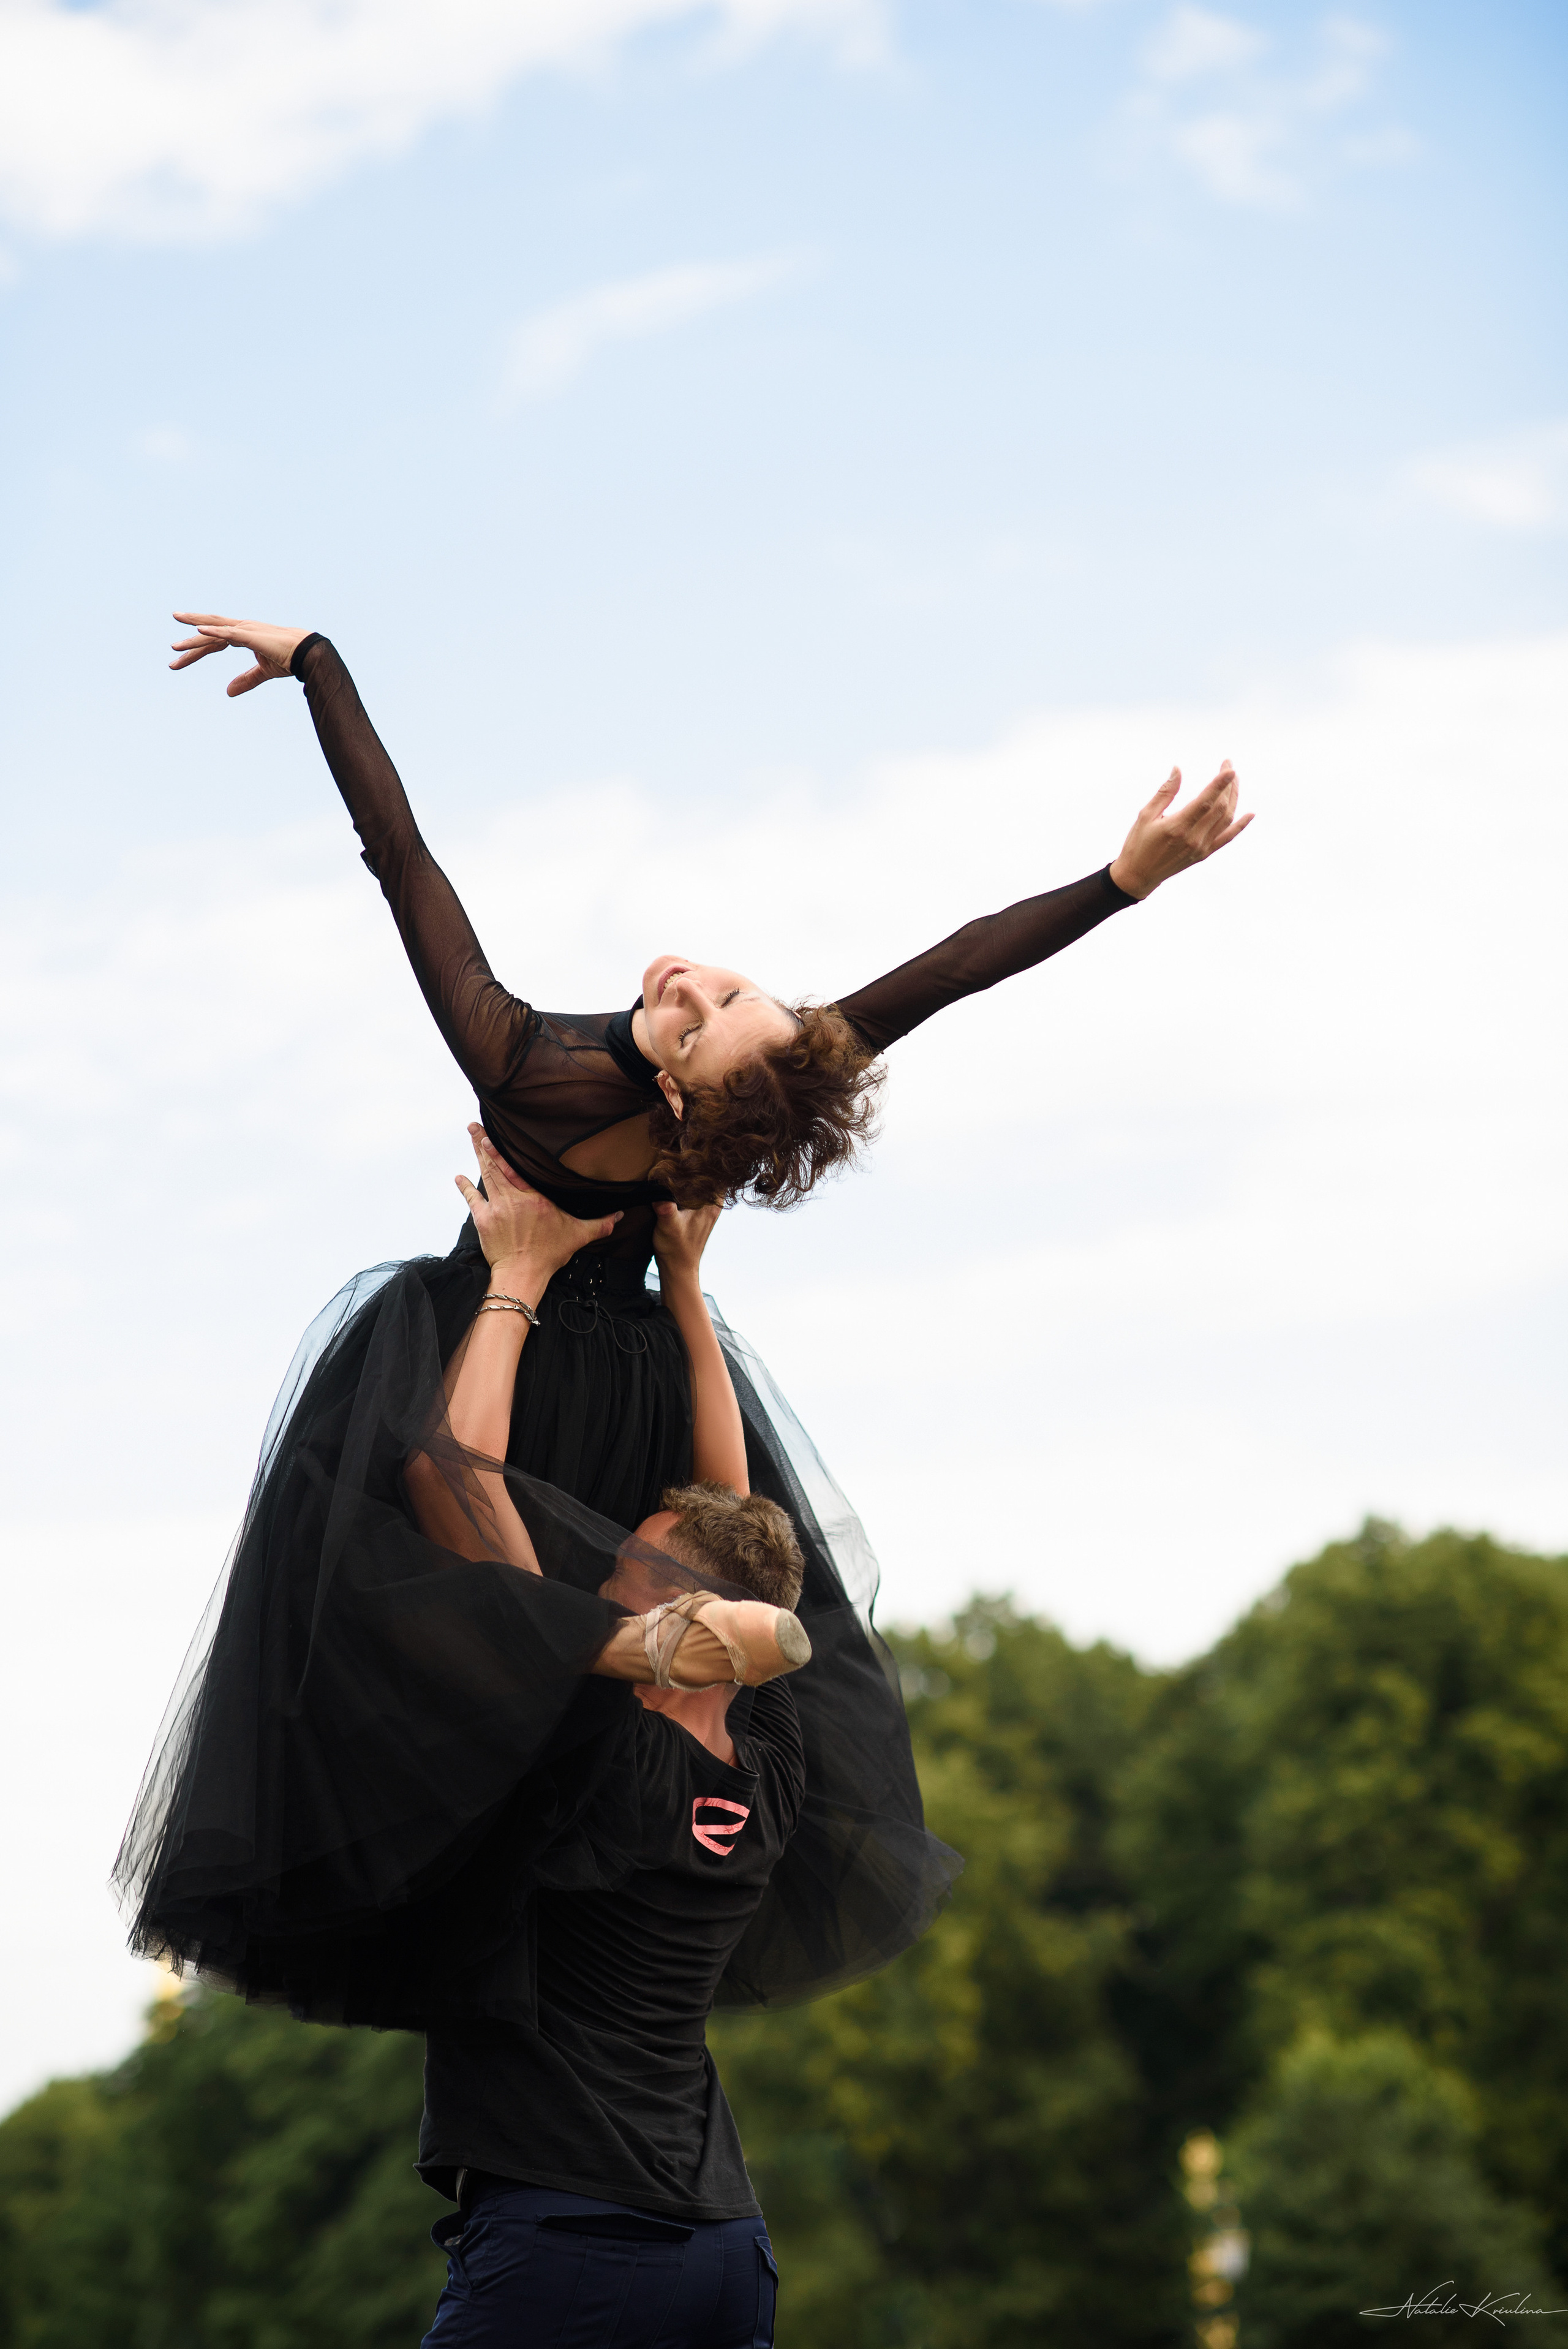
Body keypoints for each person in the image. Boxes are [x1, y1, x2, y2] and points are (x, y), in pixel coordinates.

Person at [398, 1146, 810, 2349]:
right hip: (724, 2254)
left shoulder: (586, 1740)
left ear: (687, 1620)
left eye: (627, 1572)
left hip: (568, 2245)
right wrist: (684, 1289)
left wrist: (515, 1277)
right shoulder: (761, 1758)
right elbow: (736, 1527)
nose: (599, 1582)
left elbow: (456, 1487)